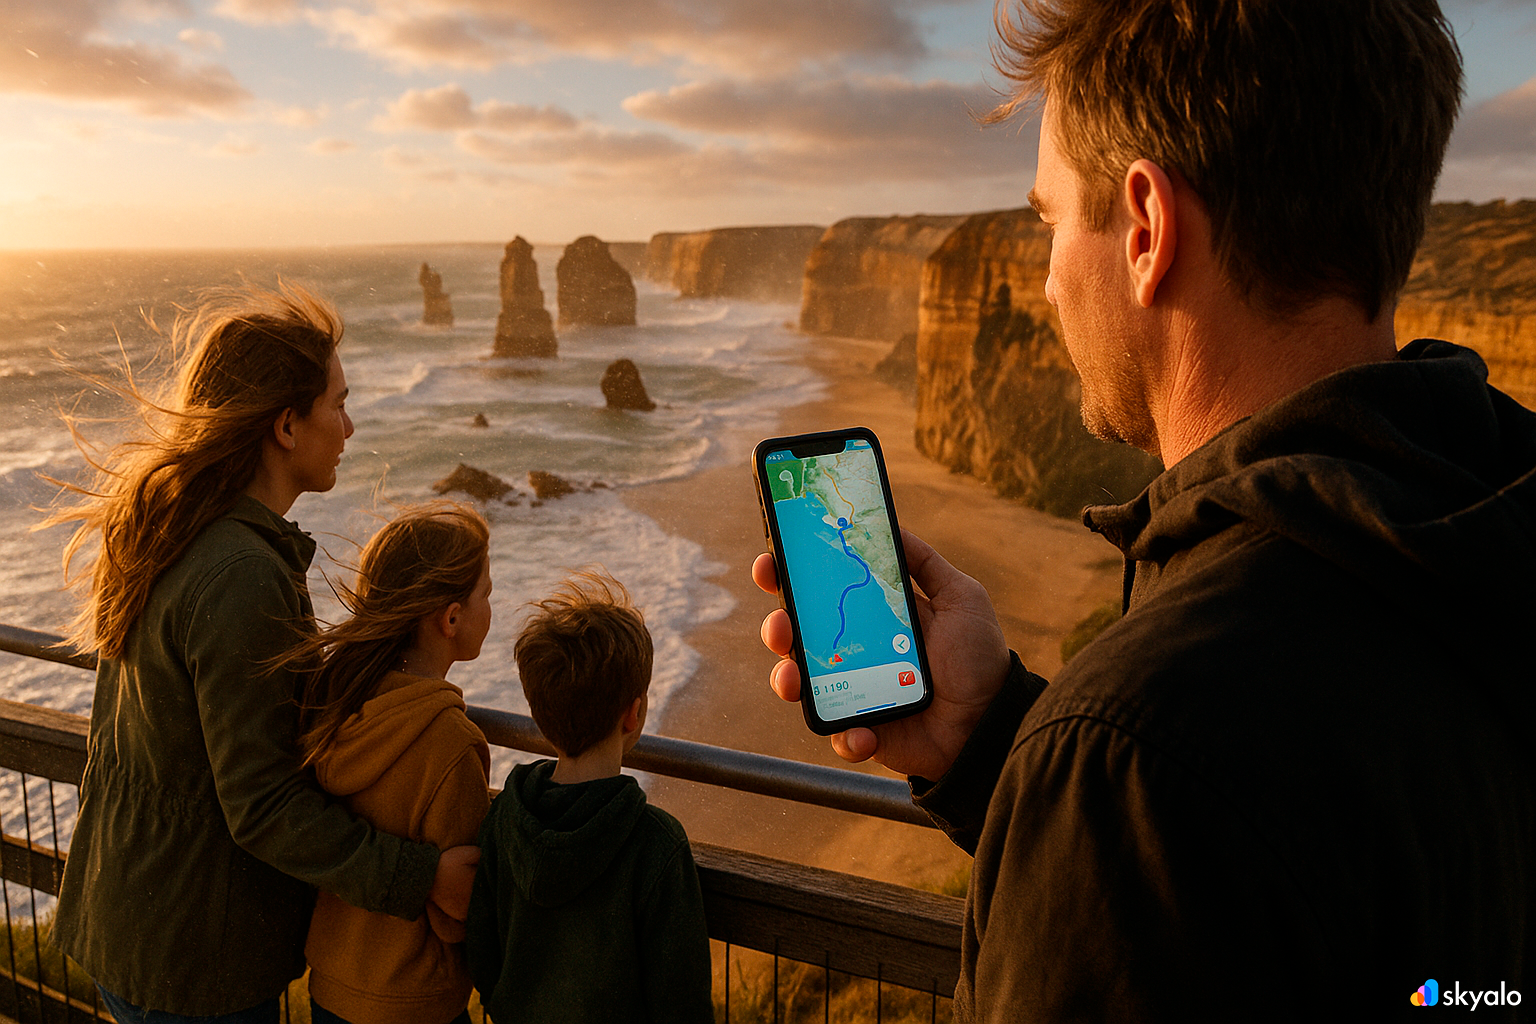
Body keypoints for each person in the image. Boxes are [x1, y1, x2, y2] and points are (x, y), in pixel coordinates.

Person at [754, 0, 1535, 1017]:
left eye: (1048, 221)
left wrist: (1085, 771)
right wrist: (998, 742)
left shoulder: (1138, 754)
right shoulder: (1484, 539)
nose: (1041, 281)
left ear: (1146, 228)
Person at [45, 284, 480, 1022]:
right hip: (191, 954)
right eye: (337, 404)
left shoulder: (175, 527)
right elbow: (262, 805)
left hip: (130, 915)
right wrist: (420, 876)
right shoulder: (240, 575)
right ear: (286, 425)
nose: (349, 424)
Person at [278, 501, 494, 1024]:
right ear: (451, 618)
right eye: (486, 593)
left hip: (332, 986)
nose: (492, 606)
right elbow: (454, 914)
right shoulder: (450, 742)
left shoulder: (339, 701)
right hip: (414, 1001)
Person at [466, 570, 713, 1024]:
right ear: (634, 713)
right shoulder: (656, 844)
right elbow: (682, 1001)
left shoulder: (505, 817)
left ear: (539, 716)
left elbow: (482, 951)